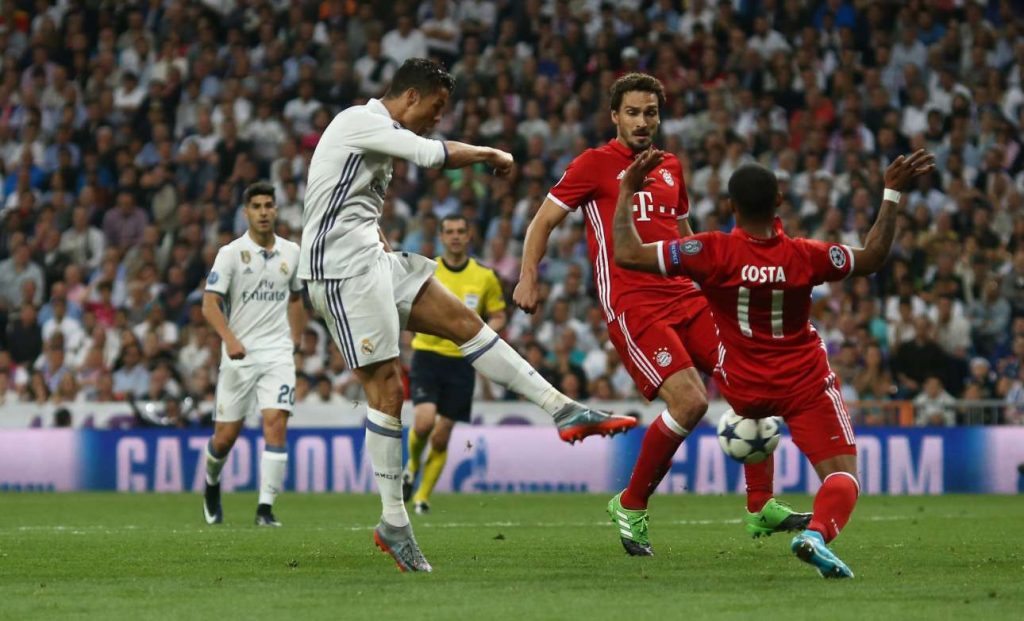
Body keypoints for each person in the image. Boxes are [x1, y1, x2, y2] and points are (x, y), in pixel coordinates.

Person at [298, 58, 635, 572]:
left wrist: (378, 240)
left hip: (371, 260)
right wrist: (489, 153)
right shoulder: (358, 121)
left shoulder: (375, 132)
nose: (437, 119)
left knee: (464, 322)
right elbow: (431, 156)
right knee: (388, 390)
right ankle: (394, 522)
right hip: (339, 273)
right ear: (412, 96)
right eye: (436, 108)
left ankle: (564, 410)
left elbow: (348, 203)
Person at [514, 73, 804, 557]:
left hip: (686, 297)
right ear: (614, 116)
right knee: (690, 403)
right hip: (634, 304)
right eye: (633, 112)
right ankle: (630, 503)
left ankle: (761, 505)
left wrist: (711, 282)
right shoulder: (593, 165)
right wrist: (528, 275)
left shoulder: (671, 165)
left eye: (651, 112)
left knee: (755, 382)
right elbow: (543, 220)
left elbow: (682, 230)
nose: (643, 122)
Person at [612, 147, 935, 578]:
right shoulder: (807, 255)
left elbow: (628, 253)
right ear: (780, 201)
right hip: (804, 382)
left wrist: (627, 192)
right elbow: (873, 257)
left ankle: (759, 503)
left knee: (726, 409)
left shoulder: (710, 251)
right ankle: (816, 534)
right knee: (843, 478)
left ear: (732, 207)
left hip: (743, 384)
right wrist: (891, 193)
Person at [201, 182, 306, 527]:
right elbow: (210, 304)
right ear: (246, 212)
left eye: (269, 205)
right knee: (225, 438)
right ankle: (212, 482)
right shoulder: (230, 253)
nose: (263, 212)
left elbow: (296, 299)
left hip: (277, 354)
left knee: (275, 423)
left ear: (276, 210)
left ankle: (265, 510)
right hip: (239, 355)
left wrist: (295, 340)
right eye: (256, 206)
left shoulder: (292, 252)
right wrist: (229, 339)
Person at [403, 214, 506, 515]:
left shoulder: (485, 276)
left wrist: (486, 334)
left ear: (469, 235)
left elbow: (499, 314)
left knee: (441, 434)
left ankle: (422, 497)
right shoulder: (427, 271)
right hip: (427, 356)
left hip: (461, 362)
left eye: (461, 231)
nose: (456, 236)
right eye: (449, 232)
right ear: (441, 236)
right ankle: (411, 466)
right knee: (423, 423)